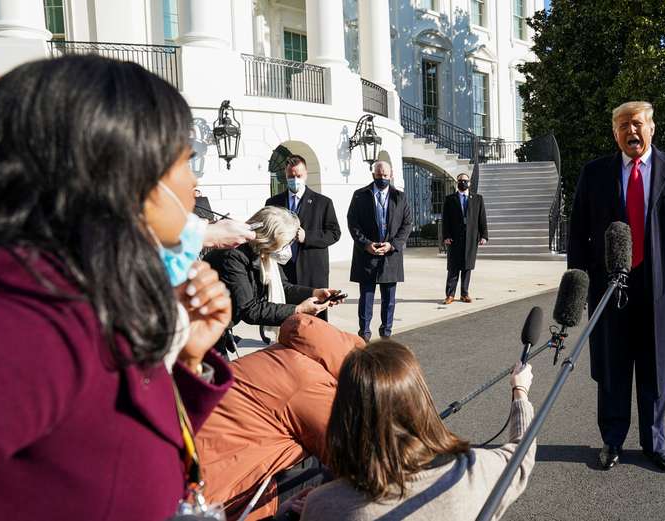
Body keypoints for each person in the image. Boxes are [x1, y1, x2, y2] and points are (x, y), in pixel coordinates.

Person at [0, 55, 233, 521]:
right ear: (125, 172)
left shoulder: (94, 290)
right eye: (185, 160)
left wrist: (189, 361)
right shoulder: (36, 315)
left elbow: (108, 454)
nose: (195, 181)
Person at [568, 101, 665, 473]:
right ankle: (612, 440)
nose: (632, 132)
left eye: (638, 124)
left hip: (659, 286)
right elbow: (578, 232)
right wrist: (578, 286)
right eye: (624, 126)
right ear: (615, 133)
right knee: (613, 367)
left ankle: (654, 442)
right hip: (608, 285)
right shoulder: (595, 173)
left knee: (655, 366)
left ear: (652, 128)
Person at [298, 340, 535, 520]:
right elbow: (521, 457)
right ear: (420, 400)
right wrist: (520, 392)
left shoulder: (323, 504)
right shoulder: (475, 470)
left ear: (345, 413)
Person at [196, 314, 365, 520]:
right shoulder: (310, 383)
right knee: (330, 479)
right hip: (218, 497)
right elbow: (354, 459)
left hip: (190, 474)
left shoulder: (276, 354)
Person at [205, 206, 338, 344]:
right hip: (202, 327)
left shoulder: (264, 253)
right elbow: (250, 310)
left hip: (219, 324)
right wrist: (298, 309)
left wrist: (315, 293)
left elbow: (284, 287)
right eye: (287, 243)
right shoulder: (233, 256)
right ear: (270, 239)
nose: (287, 247)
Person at [265, 154, 341, 321]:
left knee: (317, 319)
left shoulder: (323, 203)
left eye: (298, 176)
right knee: (288, 317)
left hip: (312, 270)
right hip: (284, 270)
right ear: (285, 176)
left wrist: (308, 237)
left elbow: (334, 233)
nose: (294, 179)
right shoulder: (273, 202)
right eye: (291, 176)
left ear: (305, 174)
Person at [347, 161, 413, 341]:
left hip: (391, 255)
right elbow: (353, 224)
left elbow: (407, 224)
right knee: (366, 298)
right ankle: (364, 334)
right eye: (379, 174)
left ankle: (386, 334)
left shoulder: (400, 197)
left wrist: (393, 245)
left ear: (391, 176)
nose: (382, 178)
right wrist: (366, 244)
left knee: (389, 300)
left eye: (385, 175)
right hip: (367, 255)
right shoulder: (360, 195)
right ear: (373, 174)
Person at [442, 172, 488, 304]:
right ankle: (450, 295)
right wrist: (446, 236)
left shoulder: (478, 199)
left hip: (471, 238)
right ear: (457, 182)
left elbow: (482, 219)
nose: (463, 183)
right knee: (453, 267)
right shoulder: (450, 199)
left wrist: (484, 235)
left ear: (469, 183)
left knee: (467, 267)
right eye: (461, 181)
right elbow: (445, 220)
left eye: (465, 181)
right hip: (454, 239)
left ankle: (464, 294)